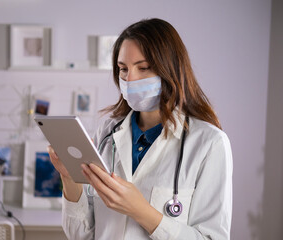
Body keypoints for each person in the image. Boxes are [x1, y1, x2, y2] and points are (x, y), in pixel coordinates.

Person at [47, 18, 232, 240]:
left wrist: (140, 211)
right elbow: (81, 235)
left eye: (143, 68)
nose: (130, 79)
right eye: (123, 69)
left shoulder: (209, 143)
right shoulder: (107, 132)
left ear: (171, 69)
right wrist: (68, 178)